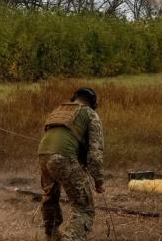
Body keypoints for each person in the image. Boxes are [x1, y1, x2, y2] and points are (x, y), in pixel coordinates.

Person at [36, 87, 104, 241]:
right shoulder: (90, 114)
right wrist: (99, 180)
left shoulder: (58, 110)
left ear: (75, 98)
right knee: (84, 208)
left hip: (43, 155)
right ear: (93, 102)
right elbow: (95, 152)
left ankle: (51, 234)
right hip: (63, 157)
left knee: (50, 197)